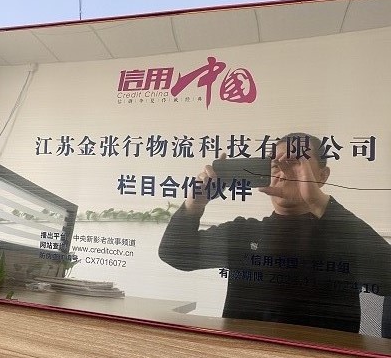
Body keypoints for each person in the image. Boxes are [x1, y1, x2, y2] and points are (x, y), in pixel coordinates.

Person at [159, 133, 391, 334]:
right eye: (276, 163)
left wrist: (317, 201)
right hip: (246, 355)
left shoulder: (342, 233)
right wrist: (194, 204)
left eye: (295, 162)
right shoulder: (243, 232)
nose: (283, 169)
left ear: (322, 176)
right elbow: (174, 254)